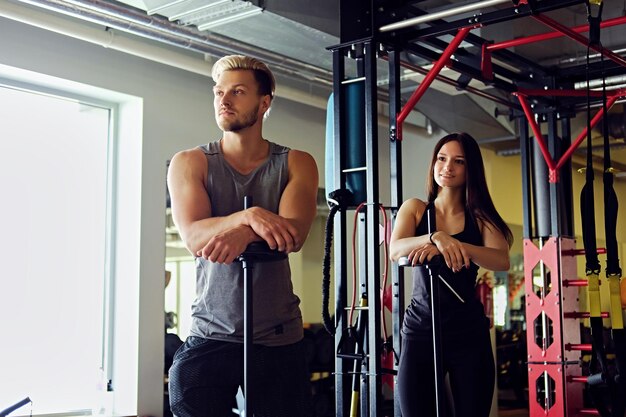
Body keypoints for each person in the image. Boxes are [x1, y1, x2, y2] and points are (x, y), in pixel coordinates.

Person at [167, 54, 318, 417]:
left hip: (279, 334)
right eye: (219, 92)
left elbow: (292, 235)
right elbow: (193, 237)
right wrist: (251, 217)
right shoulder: (190, 162)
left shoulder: (297, 162)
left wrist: (238, 234)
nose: (224, 100)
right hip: (211, 330)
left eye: (237, 91)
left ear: (264, 103)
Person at [389, 132, 513, 417]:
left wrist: (457, 246)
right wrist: (435, 237)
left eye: (458, 161)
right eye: (441, 159)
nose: (447, 167)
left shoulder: (479, 216)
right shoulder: (416, 209)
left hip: (468, 332)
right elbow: (396, 249)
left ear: (470, 169)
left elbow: (501, 259)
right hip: (421, 329)